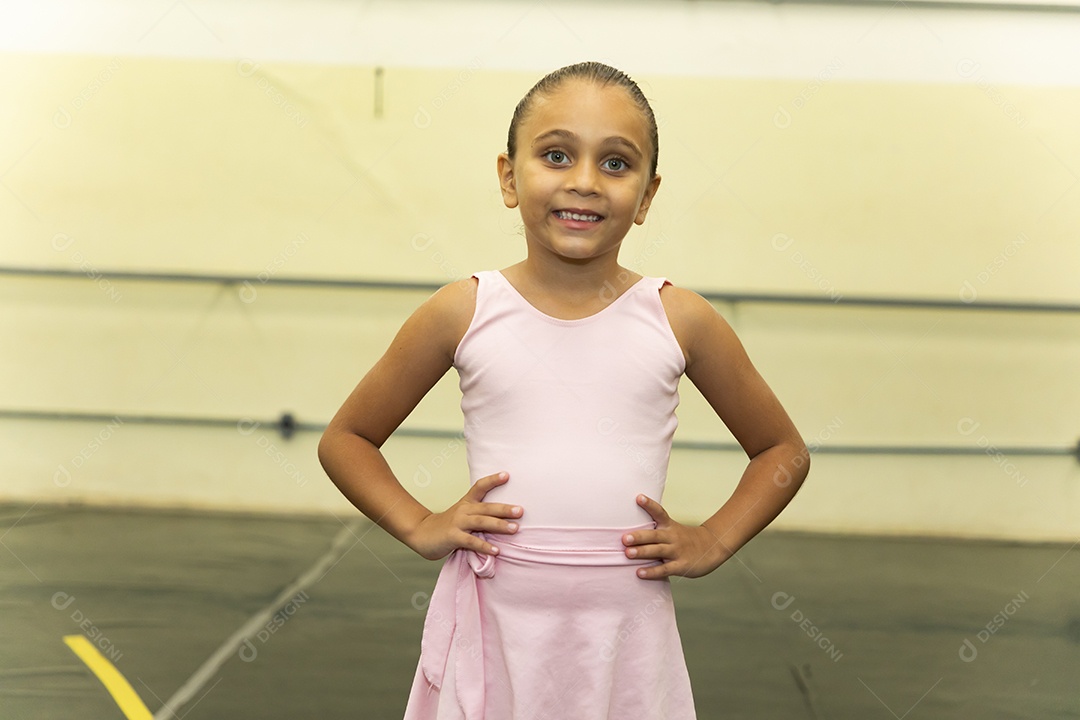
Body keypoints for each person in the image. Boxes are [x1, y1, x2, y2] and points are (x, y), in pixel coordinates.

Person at [318, 60, 810, 720]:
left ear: (647, 196)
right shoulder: (463, 310)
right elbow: (347, 439)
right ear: (508, 176)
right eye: (556, 154)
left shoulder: (679, 318)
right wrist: (419, 523)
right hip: (497, 622)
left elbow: (781, 450)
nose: (583, 181)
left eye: (616, 163)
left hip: (626, 630)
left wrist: (715, 540)